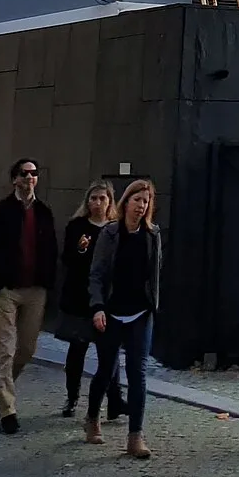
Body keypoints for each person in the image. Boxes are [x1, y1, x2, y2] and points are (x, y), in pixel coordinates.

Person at [0, 157, 58, 435]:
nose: (30, 178)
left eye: (34, 173)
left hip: (35, 290)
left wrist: (47, 282)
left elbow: (52, 250)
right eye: (24, 173)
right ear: (14, 180)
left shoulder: (44, 212)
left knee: (28, 349)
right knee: (5, 349)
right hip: (6, 290)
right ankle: (8, 410)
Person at [86, 176, 161, 459]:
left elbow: (154, 276)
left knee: (138, 375)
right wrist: (97, 307)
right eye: (137, 200)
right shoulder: (111, 233)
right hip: (111, 312)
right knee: (106, 370)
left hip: (140, 313)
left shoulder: (153, 235)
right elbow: (96, 274)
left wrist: (154, 306)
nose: (141, 206)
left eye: (146, 201)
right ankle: (92, 417)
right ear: (126, 202)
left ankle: (135, 436)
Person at [56, 181, 124, 421]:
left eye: (102, 199)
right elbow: (67, 260)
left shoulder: (116, 228)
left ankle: (114, 399)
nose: (97, 203)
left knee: (109, 351)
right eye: (93, 198)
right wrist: (81, 249)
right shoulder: (77, 226)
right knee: (78, 348)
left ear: (110, 202)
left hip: (107, 298)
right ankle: (72, 396)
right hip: (79, 296)